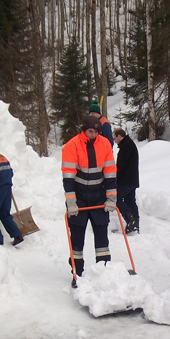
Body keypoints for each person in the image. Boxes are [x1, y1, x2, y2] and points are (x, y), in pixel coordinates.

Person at [62, 114, 117, 286]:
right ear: (84, 130)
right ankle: (77, 273)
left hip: (98, 195)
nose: (94, 135)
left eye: (96, 132)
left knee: (102, 236)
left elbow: (110, 173)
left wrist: (111, 198)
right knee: (77, 236)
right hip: (79, 197)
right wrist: (72, 203)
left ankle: (104, 271)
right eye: (90, 131)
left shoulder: (105, 144)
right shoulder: (72, 146)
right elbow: (68, 179)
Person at [113, 128, 140, 234]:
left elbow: (121, 165)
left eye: (114, 138)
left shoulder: (126, 146)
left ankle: (131, 220)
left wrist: (115, 176)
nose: (114, 141)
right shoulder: (129, 144)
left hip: (125, 181)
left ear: (119, 136)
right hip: (132, 180)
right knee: (130, 201)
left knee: (116, 198)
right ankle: (135, 224)